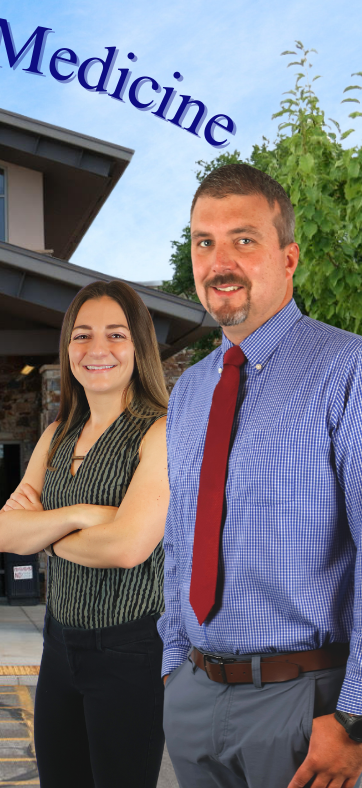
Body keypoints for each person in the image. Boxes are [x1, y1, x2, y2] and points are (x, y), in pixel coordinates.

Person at [159, 162, 362, 788]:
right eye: (204, 242)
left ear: (290, 256)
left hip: (305, 706)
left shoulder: (346, 370)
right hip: (194, 699)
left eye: (244, 240)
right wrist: (172, 665)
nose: (220, 262)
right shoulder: (191, 390)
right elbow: (181, 537)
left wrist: (353, 715)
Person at [0, 280, 170, 787]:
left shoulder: (160, 431)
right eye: (82, 335)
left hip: (131, 650)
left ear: (139, 345)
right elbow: (5, 535)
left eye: (116, 334)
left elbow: (127, 546)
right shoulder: (57, 433)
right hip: (59, 646)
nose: (97, 349)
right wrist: (89, 513)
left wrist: (44, 530)